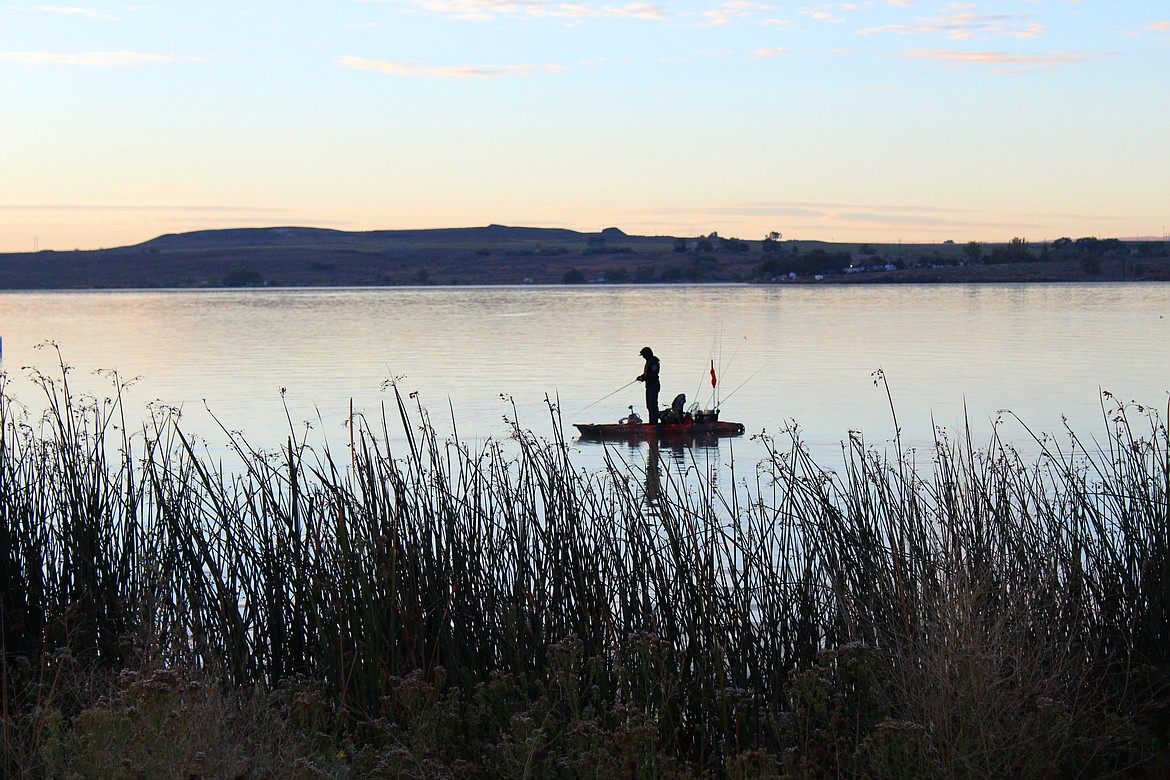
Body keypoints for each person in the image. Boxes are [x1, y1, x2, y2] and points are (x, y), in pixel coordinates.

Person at [636, 346, 661, 424]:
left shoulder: (654, 362)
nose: (643, 357)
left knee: (653, 405)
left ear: (647, 354)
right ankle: (652, 422)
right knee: (649, 405)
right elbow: (648, 374)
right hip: (649, 386)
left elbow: (653, 375)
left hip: (653, 386)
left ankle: (654, 423)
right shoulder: (649, 361)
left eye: (643, 355)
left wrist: (643, 378)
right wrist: (641, 377)